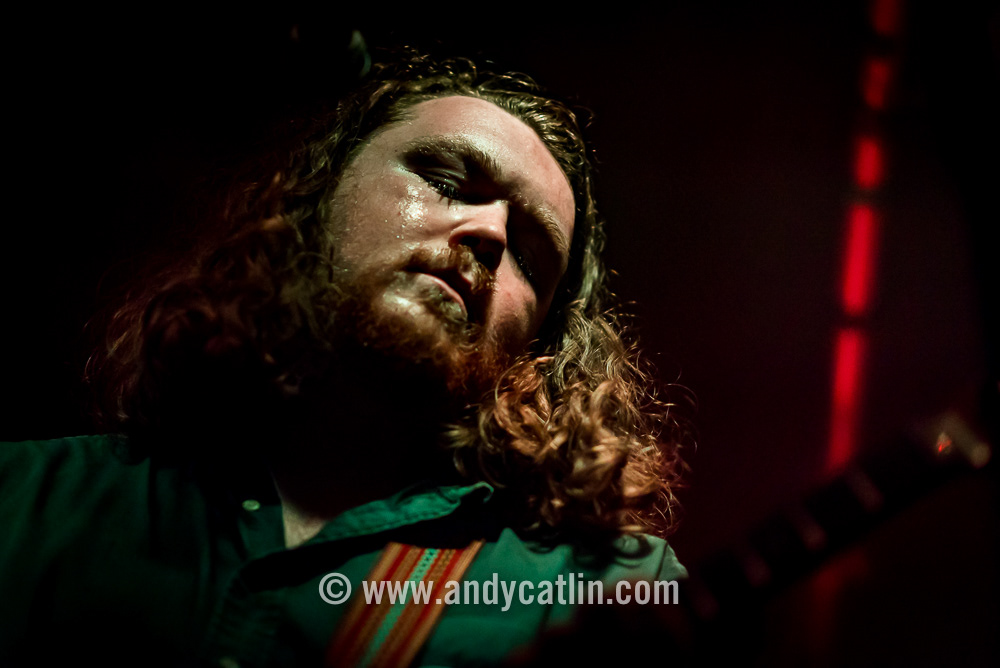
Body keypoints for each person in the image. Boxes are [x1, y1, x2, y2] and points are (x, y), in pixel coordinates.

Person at [0, 51, 688, 667]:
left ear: (538, 347)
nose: (489, 233)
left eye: (531, 259)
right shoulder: (23, 496)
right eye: (447, 180)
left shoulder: (608, 591)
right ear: (315, 193)